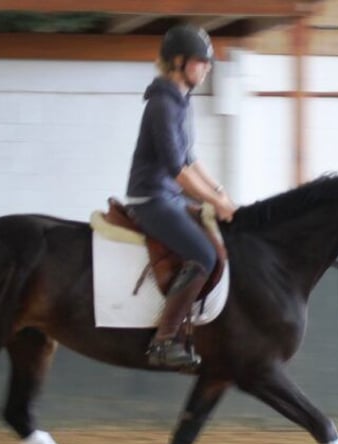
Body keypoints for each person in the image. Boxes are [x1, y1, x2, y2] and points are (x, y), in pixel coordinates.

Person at [126, 24, 237, 370]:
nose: (206, 68)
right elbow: (177, 169)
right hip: (152, 199)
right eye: (201, 62)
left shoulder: (180, 102)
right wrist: (214, 202)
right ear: (178, 62)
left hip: (169, 198)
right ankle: (164, 341)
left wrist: (219, 190)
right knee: (203, 255)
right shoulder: (162, 103)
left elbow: (191, 157)